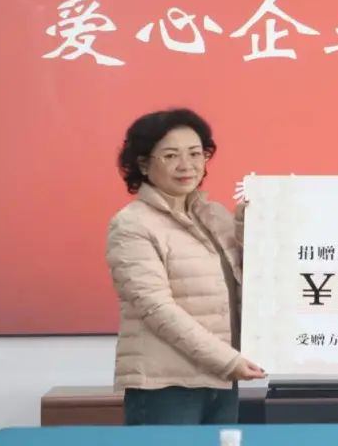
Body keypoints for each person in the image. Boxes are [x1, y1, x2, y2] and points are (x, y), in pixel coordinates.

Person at [106, 108, 265, 425]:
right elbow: (157, 309)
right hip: (166, 386)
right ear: (143, 164)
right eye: (170, 155)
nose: (186, 165)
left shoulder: (215, 216)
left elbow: (252, 282)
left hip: (220, 378)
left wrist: (256, 229)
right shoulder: (132, 225)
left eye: (195, 153)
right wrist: (226, 360)